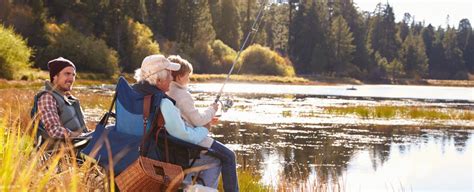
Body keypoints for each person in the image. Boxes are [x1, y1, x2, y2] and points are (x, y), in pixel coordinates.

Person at [166, 55, 239, 192]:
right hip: (191, 141)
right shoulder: (182, 95)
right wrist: (212, 110)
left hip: (180, 141)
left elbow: (187, 117)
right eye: (188, 75)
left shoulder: (167, 91)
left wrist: (208, 119)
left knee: (217, 160)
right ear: (180, 76)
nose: (189, 79)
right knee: (229, 156)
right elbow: (198, 120)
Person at [34, 57, 89, 139]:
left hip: (80, 146)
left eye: (73, 75)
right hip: (61, 150)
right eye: (67, 74)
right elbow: (54, 131)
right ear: (54, 76)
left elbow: (81, 129)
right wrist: (80, 136)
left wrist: (92, 134)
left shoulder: (69, 99)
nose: (71, 79)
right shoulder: (47, 97)